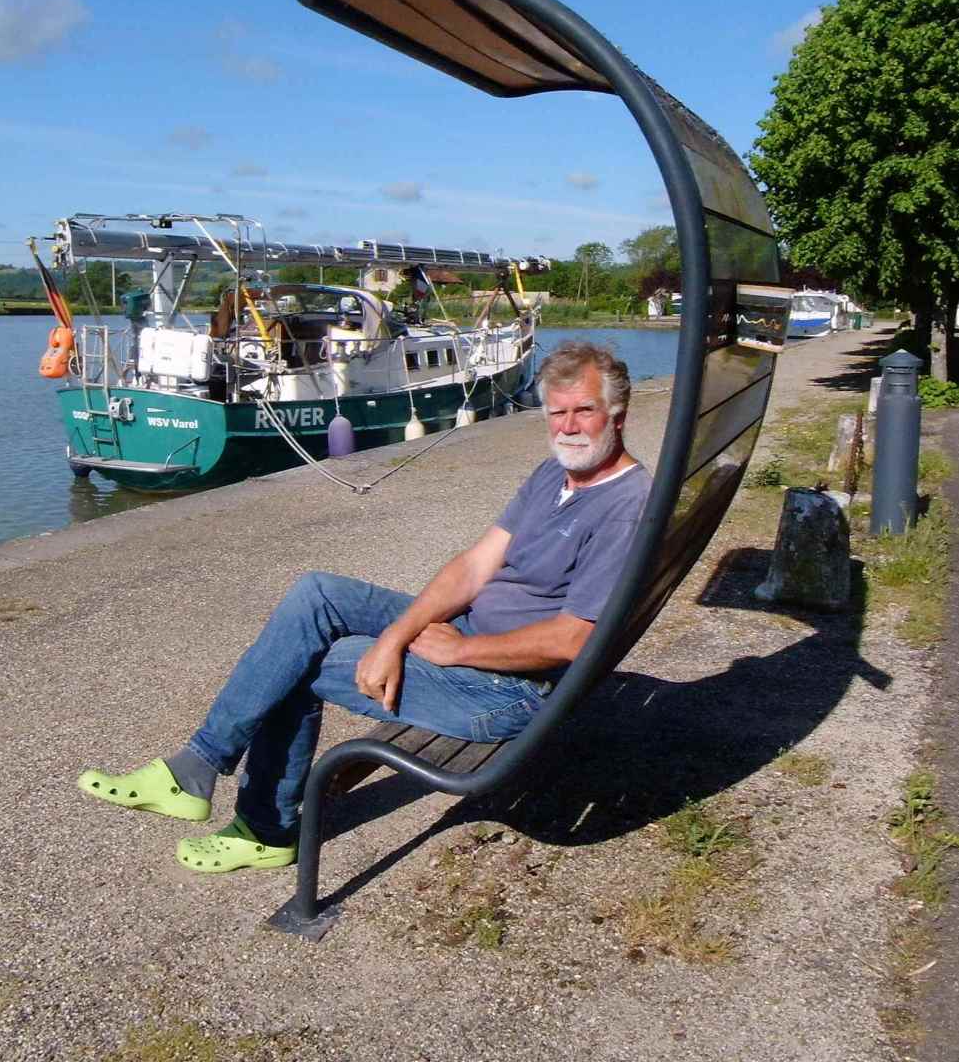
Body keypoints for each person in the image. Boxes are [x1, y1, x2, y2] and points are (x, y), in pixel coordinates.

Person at [78, 342, 652, 872]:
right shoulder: (555, 473)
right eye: (557, 412)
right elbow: (473, 566)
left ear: (617, 415)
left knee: (299, 663)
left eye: (584, 411)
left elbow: (574, 638)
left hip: (506, 689)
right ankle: (198, 767)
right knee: (316, 593)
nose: (567, 426)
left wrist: (461, 650)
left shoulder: (624, 507)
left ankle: (263, 829)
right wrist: (398, 636)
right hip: (469, 637)